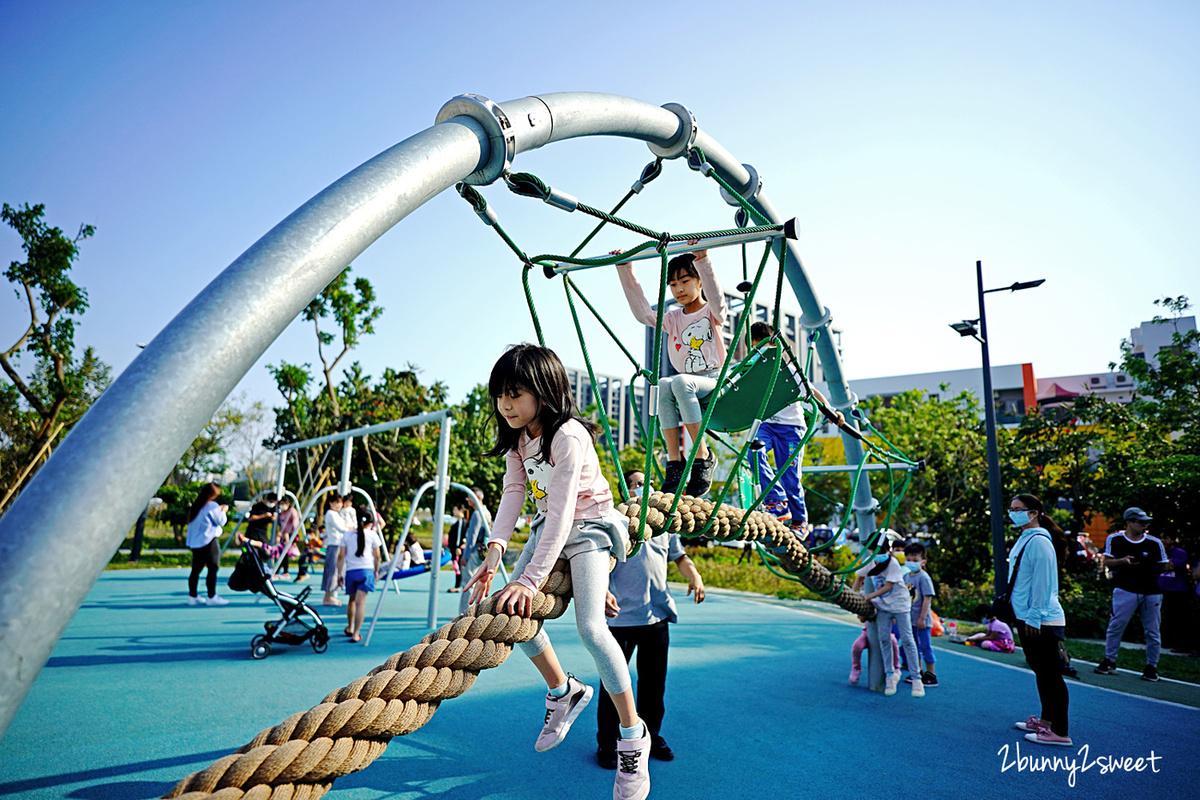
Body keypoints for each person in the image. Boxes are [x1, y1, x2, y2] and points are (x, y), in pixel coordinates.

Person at [465, 344, 650, 800]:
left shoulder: (567, 435)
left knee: (590, 628)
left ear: (543, 392)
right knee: (515, 615)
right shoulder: (519, 437)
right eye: (499, 396)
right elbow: (513, 492)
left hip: (588, 528)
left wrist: (529, 578)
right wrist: (495, 555)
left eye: (514, 394)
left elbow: (567, 510)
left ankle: (633, 736)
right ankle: (563, 690)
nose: (504, 405)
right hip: (550, 527)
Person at [595, 469, 706, 770]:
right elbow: (600, 563)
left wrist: (694, 575)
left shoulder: (664, 526)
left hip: (656, 617)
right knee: (613, 685)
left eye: (648, 482)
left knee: (654, 685)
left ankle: (650, 735)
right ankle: (608, 742)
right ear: (626, 492)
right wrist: (603, 590)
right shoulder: (616, 524)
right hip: (621, 620)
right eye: (637, 484)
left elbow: (680, 557)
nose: (645, 487)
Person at [615, 243, 725, 497]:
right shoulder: (674, 318)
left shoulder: (713, 312)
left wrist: (702, 259)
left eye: (685, 281)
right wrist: (625, 268)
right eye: (673, 285)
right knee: (663, 384)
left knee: (679, 382)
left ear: (698, 282)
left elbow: (717, 297)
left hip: (714, 379)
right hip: (685, 384)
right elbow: (643, 313)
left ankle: (702, 454)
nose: (679, 289)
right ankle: (675, 461)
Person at [746, 322, 844, 527]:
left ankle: (800, 521)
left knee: (790, 476)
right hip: (766, 425)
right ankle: (776, 499)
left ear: (776, 347)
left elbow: (812, 392)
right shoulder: (752, 369)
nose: (760, 352)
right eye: (756, 347)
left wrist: (830, 410)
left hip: (790, 428)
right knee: (753, 452)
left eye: (765, 347)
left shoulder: (788, 369)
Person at [1007, 493, 1071, 746]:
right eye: (1011, 509)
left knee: (1050, 674)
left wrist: (1034, 616)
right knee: (1041, 672)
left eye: (1018, 509)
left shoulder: (1039, 542)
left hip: (1041, 619)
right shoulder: (1027, 538)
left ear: (1033, 513)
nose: (1013, 513)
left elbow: (1043, 583)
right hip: (1029, 616)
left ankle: (1061, 732)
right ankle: (1046, 722)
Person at [1093, 507, 1170, 681]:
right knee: (1116, 625)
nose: (1144, 526)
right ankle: (1110, 660)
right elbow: (1107, 562)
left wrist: (1148, 565)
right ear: (1129, 522)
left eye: (1146, 523)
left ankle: (1152, 666)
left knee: (1152, 630)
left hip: (1151, 591)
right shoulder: (1115, 539)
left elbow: (1163, 564)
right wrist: (1123, 561)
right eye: (1140, 523)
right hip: (1125, 589)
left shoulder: (1154, 542)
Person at [851, 544, 923, 698]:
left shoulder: (893, 564)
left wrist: (868, 596)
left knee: (907, 640)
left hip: (900, 605)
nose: (879, 555)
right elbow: (859, 578)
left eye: (882, 552)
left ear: (887, 551)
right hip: (883, 606)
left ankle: (917, 679)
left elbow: (888, 586)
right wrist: (852, 595)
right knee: (883, 639)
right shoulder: (870, 561)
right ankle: (890, 675)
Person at [338, 504, 382, 643]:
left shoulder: (347, 535)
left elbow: (341, 556)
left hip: (351, 571)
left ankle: (350, 627)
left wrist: (340, 573)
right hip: (366, 570)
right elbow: (377, 556)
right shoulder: (372, 534)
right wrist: (376, 570)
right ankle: (356, 633)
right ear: (370, 523)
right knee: (360, 604)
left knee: (351, 601)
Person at [185, 482, 230, 606]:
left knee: (196, 569)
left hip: (196, 542)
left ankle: (192, 596)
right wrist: (223, 511)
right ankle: (212, 596)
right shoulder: (212, 506)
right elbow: (221, 521)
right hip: (208, 540)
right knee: (213, 567)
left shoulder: (197, 505)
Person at [902, 541, 938, 687]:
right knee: (913, 646)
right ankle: (918, 671)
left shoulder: (924, 577)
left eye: (915, 560)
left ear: (923, 562)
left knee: (925, 646)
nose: (911, 563)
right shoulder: (906, 577)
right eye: (909, 560)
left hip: (921, 620)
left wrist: (922, 618)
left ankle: (931, 674)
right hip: (910, 619)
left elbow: (927, 598)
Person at [458, 486, 493, 615]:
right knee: (480, 580)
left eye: (469, 497)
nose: (467, 500)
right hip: (483, 551)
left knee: (469, 581)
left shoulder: (478, 514)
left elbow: (472, 537)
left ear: (477, 498)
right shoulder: (486, 512)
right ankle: (479, 610)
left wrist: (465, 556)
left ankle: (464, 613)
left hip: (474, 552)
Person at [1158, 531, 1191, 653]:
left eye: (1165, 538)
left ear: (1173, 539)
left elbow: (1172, 566)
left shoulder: (1180, 553)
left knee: (1178, 617)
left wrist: (1166, 563)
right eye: (1160, 538)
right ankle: (1166, 641)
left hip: (1177, 589)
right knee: (1165, 616)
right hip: (1162, 588)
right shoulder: (1159, 552)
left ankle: (1181, 643)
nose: (1162, 541)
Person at [322, 494, 351, 607]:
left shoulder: (337, 514)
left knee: (338, 570)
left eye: (340, 502)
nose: (339, 505)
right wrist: (351, 529)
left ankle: (331, 594)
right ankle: (327, 597)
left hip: (339, 544)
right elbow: (341, 528)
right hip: (334, 545)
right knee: (332, 571)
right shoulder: (330, 513)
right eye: (336, 502)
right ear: (330, 503)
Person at [274, 495, 301, 576]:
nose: (282, 505)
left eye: (283, 504)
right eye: (280, 504)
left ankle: (281, 571)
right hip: (283, 535)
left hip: (291, 535)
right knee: (281, 552)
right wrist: (279, 534)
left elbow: (295, 525)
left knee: (284, 553)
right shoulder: (281, 513)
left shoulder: (292, 511)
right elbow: (281, 525)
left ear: (288, 504)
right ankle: (281, 571)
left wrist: (293, 538)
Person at [447, 503, 467, 593]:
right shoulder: (458, 522)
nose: (453, 511)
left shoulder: (462, 522)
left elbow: (459, 536)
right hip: (455, 549)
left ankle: (458, 585)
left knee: (459, 567)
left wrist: (458, 547)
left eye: (455, 509)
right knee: (457, 567)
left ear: (460, 510)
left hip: (458, 549)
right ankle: (458, 585)